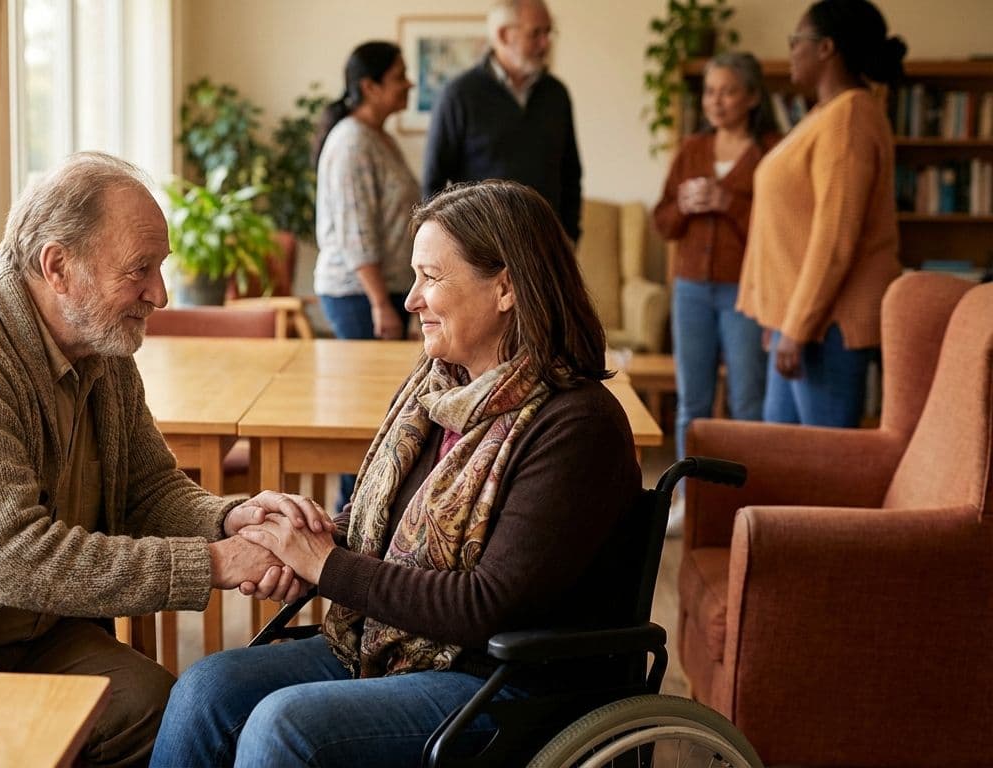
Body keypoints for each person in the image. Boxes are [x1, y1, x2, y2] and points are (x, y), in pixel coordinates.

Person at [0, 152, 331, 767]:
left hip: (23, 631)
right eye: (139, 270)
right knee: (28, 739)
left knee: (165, 709)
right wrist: (215, 563)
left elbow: (149, 489)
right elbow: (14, 558)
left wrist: (232, 520)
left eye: (160, 268)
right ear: (58, 266)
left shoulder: (104, 348)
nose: (160, 293)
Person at [149, 181, 641, 768]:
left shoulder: (577, 424)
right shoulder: (435, 391)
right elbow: (383, 533)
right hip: (393, 646)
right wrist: (301, 546)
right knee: (207, 689)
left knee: (285, 729)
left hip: (506, 679)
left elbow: (485, 605)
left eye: (431, 277)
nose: (411, 299)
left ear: (506, 287)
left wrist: (324, 565)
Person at [737, 0, 906, 427]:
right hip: (803, 324)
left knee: (823, 478)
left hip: (826, 329)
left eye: (797, 41)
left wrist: (796, 326)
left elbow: (835, 240)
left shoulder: (849, 120)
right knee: (782, 467)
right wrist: (782, 320)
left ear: (826, 48)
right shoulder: (825, 115)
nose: (790, 50)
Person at [652, 52, 778, 535]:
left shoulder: (770, 152)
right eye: (709, 92)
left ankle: (743, 505)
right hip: (690, 291)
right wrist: (682, 207)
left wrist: (728, 203)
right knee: (692, 402)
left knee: (749, 402)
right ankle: (690, 502)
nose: (716, 101)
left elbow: (778, 232)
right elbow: (663, 222)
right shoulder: (692, 149)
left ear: (750, 97)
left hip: (745, 291)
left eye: (727, 91)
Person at [312, 40, 418, 512]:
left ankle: (368, 521)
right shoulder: (352, 141)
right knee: (368, 418)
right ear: (369, 86)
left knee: (382, 414)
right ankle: (350, 521)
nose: (409, 84)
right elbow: (357, 235)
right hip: (359, 294)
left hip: (380, 290)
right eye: (399, 76)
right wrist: (380, 302)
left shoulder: (378, 136)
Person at [421, 0, 582, 241]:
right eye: (536, 33)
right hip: (482, 248)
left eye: (548, 32)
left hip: (546, 245)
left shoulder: (556, 94)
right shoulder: (459, 94)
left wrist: (570, 236)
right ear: (505, 35)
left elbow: (571, 173)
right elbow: (434, 182)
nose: (546, 42)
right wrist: (449, 245)